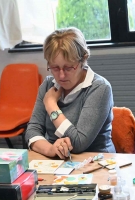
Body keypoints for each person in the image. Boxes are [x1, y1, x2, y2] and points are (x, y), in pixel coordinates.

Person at [25, 27, 116, 159]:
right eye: (55, 68)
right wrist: (50, 149)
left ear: (83, 60)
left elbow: (78, 143)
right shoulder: (48, 85)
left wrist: (51, 106)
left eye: (68, 67)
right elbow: (32, 131)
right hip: (57, 162)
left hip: (96, 162)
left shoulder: (100, 88)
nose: (61, 75)